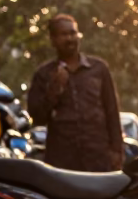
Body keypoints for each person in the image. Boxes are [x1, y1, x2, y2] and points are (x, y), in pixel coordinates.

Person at [28, 14, 125, 172]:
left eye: (73, 33)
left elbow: (112, 112)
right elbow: (37, 117)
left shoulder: (99, 69)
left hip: (98, 158)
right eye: (63, 34)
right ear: (53, 40)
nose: (69, 38)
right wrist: (55, 89)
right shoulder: (44, 74)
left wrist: (117, 151)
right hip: (62, 162)